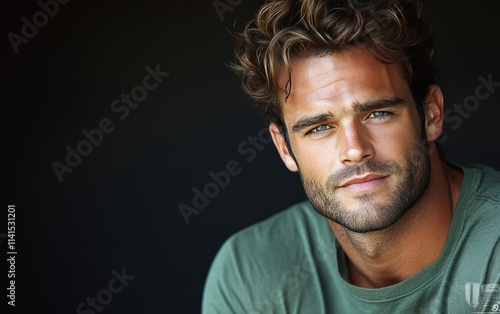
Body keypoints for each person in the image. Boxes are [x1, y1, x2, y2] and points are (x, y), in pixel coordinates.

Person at [202, 0, 500, 312]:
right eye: (319, 128)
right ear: (284, 148)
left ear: (430, 114)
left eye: (378, 113)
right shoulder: (251, 274)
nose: (355, 149)